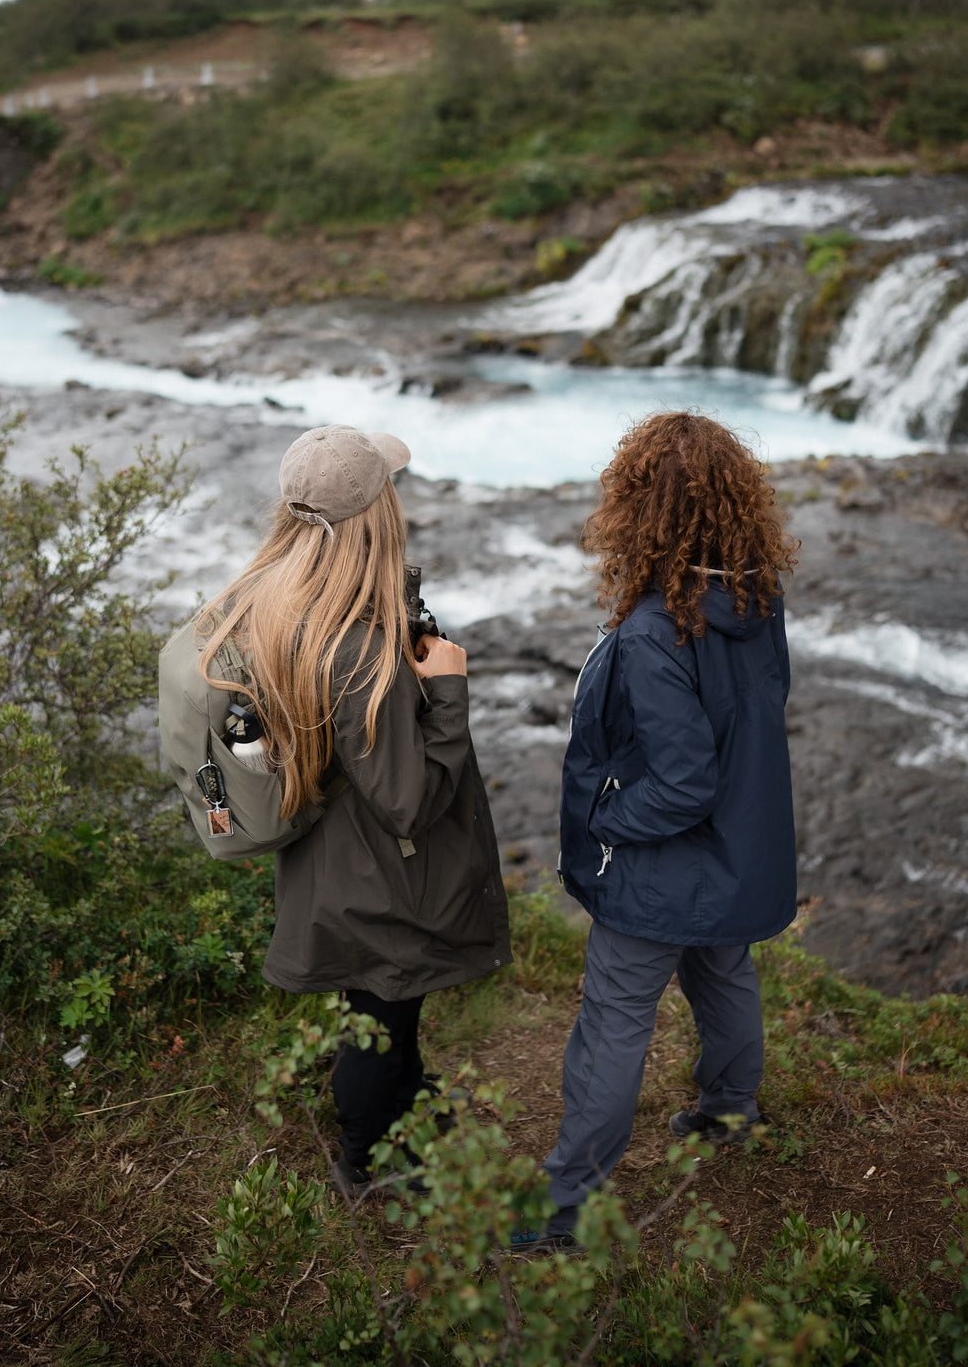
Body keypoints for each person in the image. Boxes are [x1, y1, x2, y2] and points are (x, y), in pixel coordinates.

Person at [196, 423, 512, 1192]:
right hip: (380, 877)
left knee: (382, 1005)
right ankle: (366, 1162)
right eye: (390, 489)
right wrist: (446, 692)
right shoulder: (353, 645)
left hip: (330, 859)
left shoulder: (276, 595)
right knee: (380, 1016)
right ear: (373, 515)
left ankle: (406, 1100)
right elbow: (410, 801)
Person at [514, 411, 799, 1254]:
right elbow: (759, 709)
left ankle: (567, 1204)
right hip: (737, 854)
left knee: (613, 1020)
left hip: (662, 872)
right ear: (734, 507)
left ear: (638, 512)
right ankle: (730, 1111)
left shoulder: (650, 632)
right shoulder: (756, 598)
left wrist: (606, 817)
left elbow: (680, 783)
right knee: (723, 973)